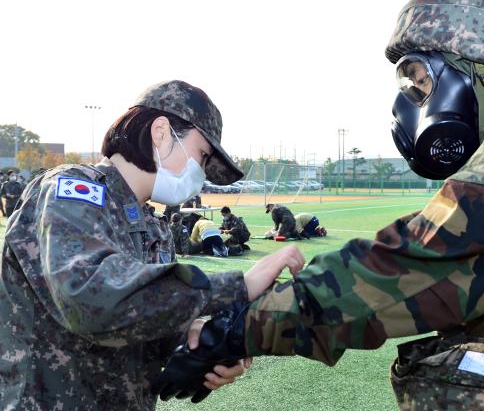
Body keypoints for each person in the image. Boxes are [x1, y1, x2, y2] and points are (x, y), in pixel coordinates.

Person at [155, 0, 484, 409]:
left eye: (421, 80)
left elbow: (391, 275)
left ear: (479, 71)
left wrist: (233, 329)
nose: (415, 98)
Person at [0, 80, 304, 410]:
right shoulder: (70, 190)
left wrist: (202, 347)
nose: (199, 174)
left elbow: (146, 332)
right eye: (201, 156)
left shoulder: (153, 228)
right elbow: (91, 298)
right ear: (160, 132)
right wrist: (238, 286)